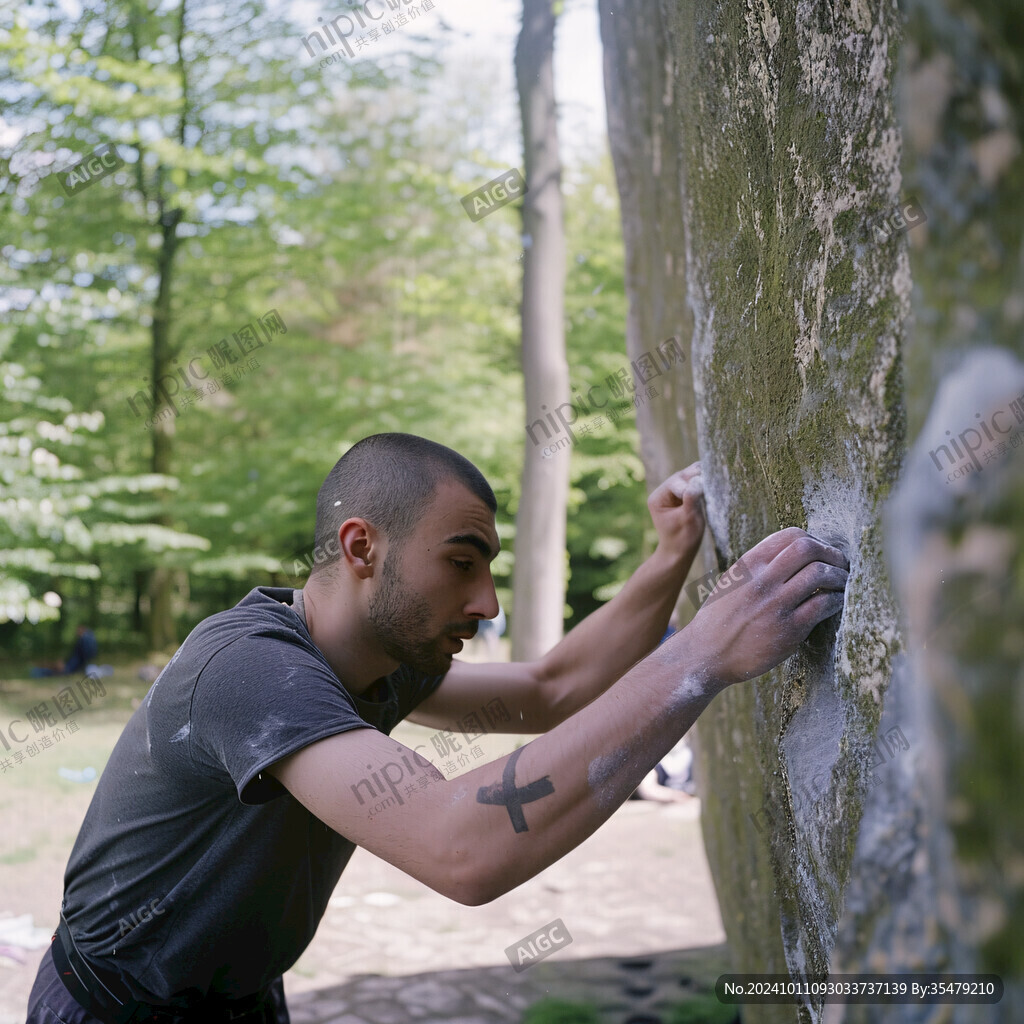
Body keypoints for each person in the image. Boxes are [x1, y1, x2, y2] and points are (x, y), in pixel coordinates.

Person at [26, 433, 849, 1024]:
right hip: (110, 1006)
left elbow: (553, 687)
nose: (487, 601)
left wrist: (672, 557)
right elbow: (461, 846)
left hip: (243, 998)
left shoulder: (389, 657)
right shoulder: (249, 669)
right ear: (361, 548)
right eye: (462, 561)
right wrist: (698, 657)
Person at [30, 625, 98, 677]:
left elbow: (77, 660)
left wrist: (63, 665)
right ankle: (36, 670)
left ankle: (36, 671)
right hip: (70, 665)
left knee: (47, 668)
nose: (77, 633)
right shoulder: (85, 643)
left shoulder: (84, 641)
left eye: (79, 631)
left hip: (69, 667)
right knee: (50, 665)